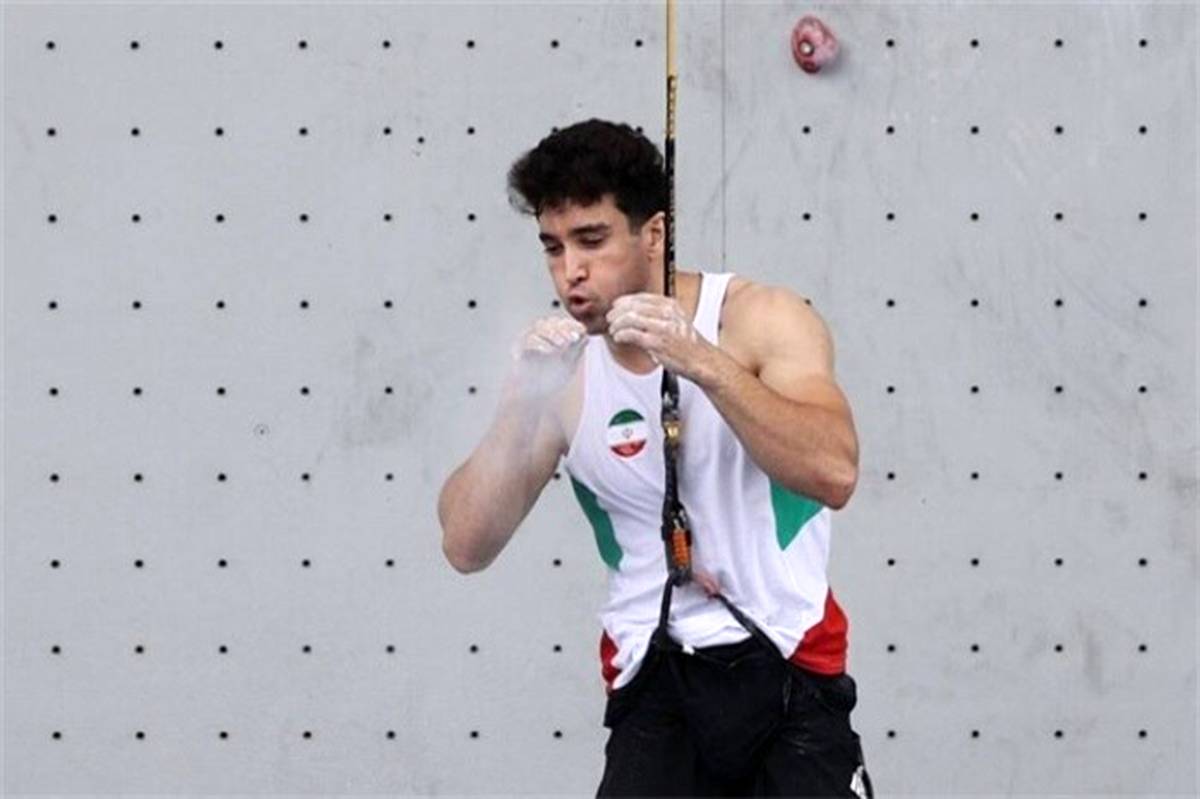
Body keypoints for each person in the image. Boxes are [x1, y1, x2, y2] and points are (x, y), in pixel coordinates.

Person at [438, 118, 874, 798]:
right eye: (552, 247)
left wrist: (701, 362)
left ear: (654, 234)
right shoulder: (565, 370)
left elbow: (835, 472)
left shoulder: (754, 318)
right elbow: (465, 544)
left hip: (790, 663)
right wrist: (518, 402)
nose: (571, 271)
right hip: (654, 677)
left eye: (592, 241)